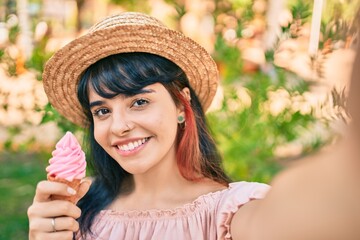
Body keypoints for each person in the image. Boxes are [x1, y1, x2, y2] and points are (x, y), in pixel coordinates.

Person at [28, 11, 360, 240]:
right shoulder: (77, 210)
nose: (119, 126)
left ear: (181, 106)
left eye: (139, 102)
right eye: (102, 111)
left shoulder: (228, 213)